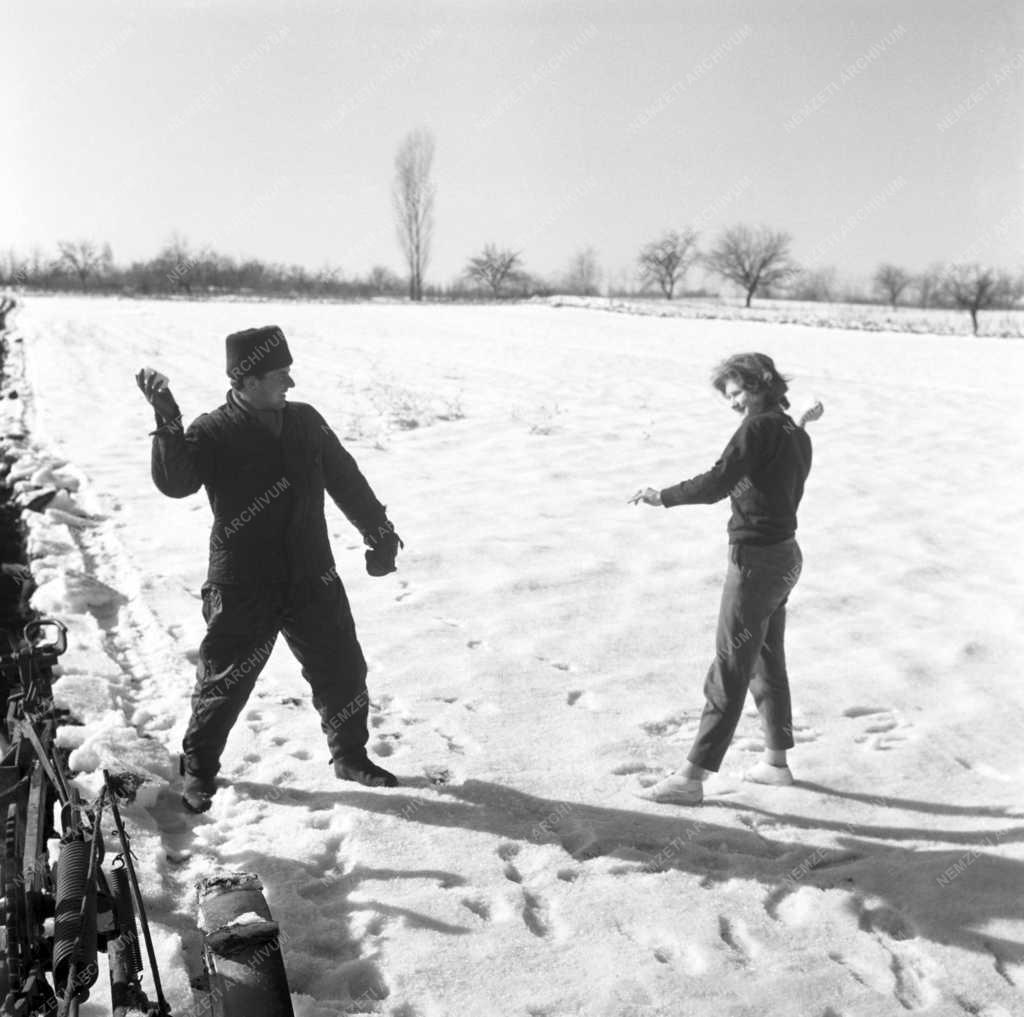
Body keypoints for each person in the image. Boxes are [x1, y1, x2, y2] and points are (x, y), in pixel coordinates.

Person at [136, 325, 403, 812]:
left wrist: (379, 531)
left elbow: (345, 477)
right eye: (281, 375)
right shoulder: (213, 430)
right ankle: (198, 770)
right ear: (248, 379)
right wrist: (168, 420)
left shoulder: (306, 421)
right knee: (224, 683)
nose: (291, 384)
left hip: (311, 573)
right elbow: (176, 483)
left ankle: (350, 757)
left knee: (342, 668)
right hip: (243, 581)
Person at [630, 352, 822, 806]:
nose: (735, 403)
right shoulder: (793, 433)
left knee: (730, 667)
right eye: (729, 397)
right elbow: (769, 476)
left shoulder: (758, 429)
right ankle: (775, 763)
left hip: (756, 563)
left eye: (739, 392)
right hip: (786, 557)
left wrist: (663, 496)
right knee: (766, 660)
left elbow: (719, 481)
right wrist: (802, 422)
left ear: (762, 383)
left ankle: (691, 777)